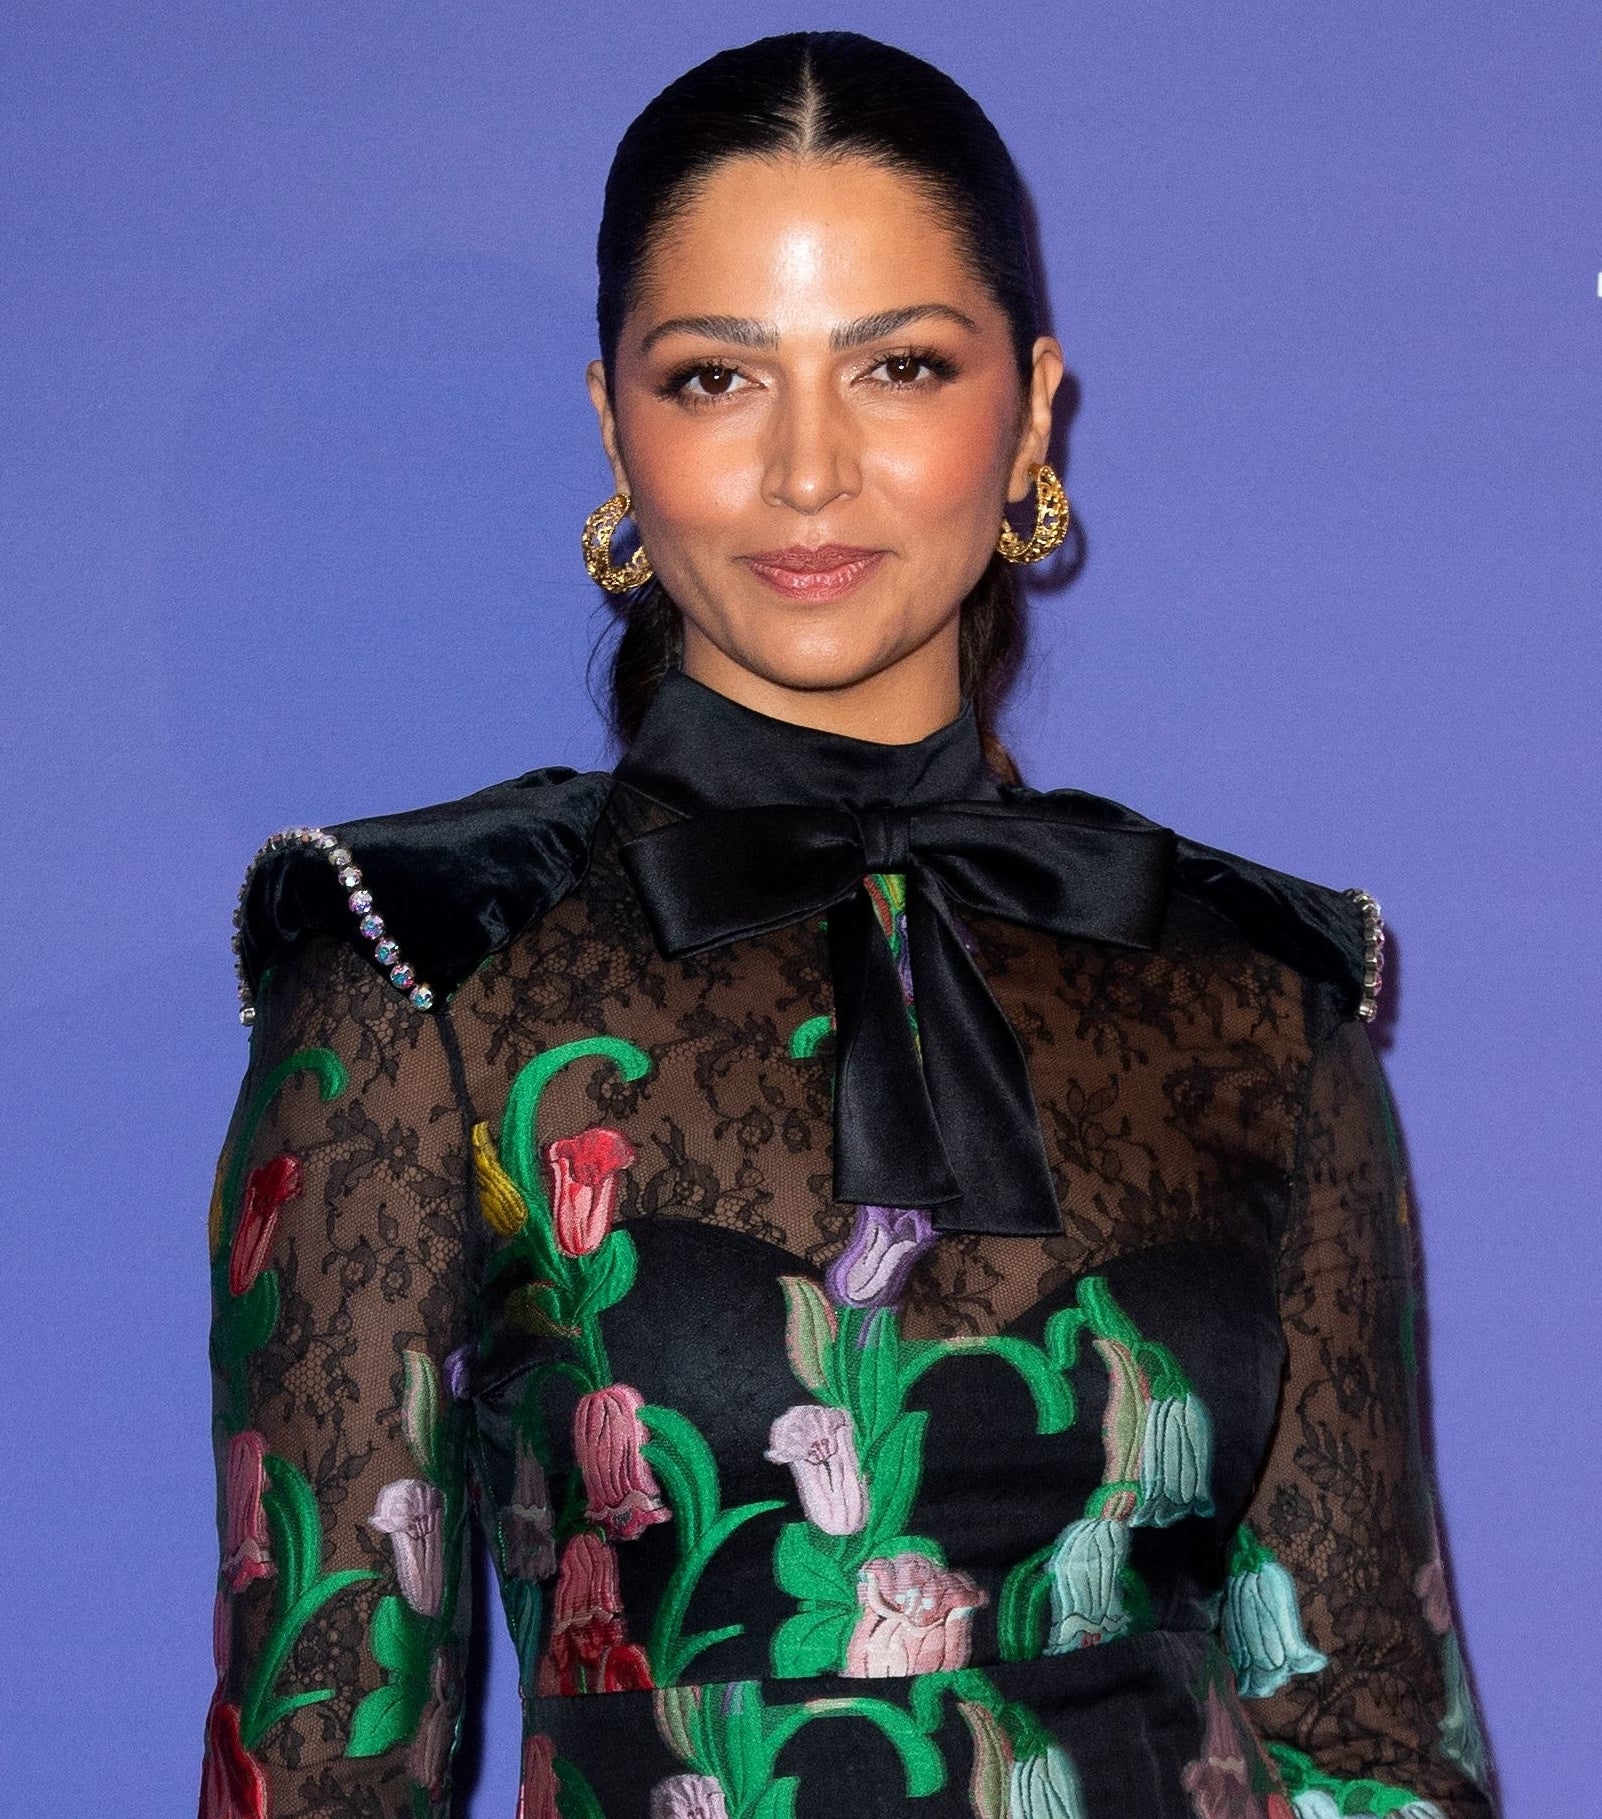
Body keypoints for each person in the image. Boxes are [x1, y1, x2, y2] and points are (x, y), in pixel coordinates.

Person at [199, 31, 1498, 1819]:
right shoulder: (429, 967)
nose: (807, 472)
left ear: (1031, 406)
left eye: (896, 365)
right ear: (611, 423)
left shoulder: (1255, 995)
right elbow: (316, 1759)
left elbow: (1370, 1736)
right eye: (717, 378)